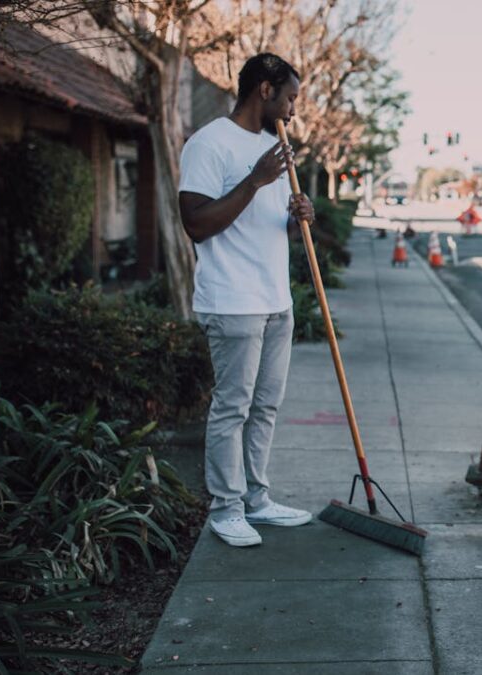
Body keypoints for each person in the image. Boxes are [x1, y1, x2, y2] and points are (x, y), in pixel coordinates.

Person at [178, 53, 314, 547]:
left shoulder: (274, 147)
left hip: (276, 298)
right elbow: (196, 223)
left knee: (266, 406)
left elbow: (268, 228)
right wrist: (255, 181)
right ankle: (226, 508)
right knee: (232, 407)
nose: (294, 109)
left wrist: (299, 216)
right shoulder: (209, 143)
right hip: (232, 300)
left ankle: (258, 499)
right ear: (264, 89)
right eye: (291, 97)